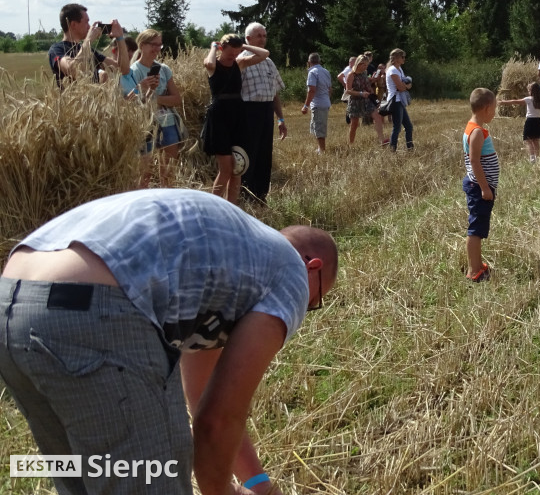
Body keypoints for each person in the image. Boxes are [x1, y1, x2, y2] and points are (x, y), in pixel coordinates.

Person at [0, 188, 338, 495]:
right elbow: (217, 420)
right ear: (314, 266)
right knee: (151, 477)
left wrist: (256, 485)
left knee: (86, 477)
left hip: (12, 300)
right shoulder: (291, 271)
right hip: (91, 308)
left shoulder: (235, 256)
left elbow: (203, 395)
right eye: (314, 302)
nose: (302, 312)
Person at [203, 34, 270, 203]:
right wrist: (213, 46)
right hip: (219, 116)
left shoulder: (239, 64)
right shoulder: (214, 66)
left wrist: (245, 47)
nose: (233, 55)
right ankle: (215, 206)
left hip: (238, 114)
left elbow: (264, 54)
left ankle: (232, 207)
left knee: (237, 168)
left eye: (236, 52)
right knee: (225, 168)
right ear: (222, 48)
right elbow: (209, 63)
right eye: (230, 52)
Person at [239, 23, 288, 203]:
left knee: (264, 154)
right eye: (258, 35)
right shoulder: (240, 61)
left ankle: (260, 196)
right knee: (248, 154)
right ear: (248, 39)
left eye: (264, 35)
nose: (262, 39)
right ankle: (245, 195)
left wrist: (280, 118)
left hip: (266, 111)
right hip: (248, 112)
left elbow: (274, 93)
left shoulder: (268, 62)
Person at [131, 29, 185, 188]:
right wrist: (156, 98)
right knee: (144, 173)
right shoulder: (133, 71)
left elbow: (176, 99)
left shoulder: (164, 69)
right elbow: (133, 103)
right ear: (142, 45)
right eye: (153, 45)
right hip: (145, 125)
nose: (157, 49)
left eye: (159, 45)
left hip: (167, 122)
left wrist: (154, 98)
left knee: (168, 172)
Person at [462, 88, 499, 282]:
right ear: (486, 109)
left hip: (479, 186)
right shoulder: (476, 132)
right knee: (476, 229)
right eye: (494, 109)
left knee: (478, 227)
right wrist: (485, 188)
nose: (494, 112)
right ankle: (473, 270)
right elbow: (475, 162)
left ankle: (477, 264)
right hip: (479, 188)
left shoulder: (473, 127)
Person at [48, 3, 129, 87]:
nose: (89, 27)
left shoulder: (88, 50)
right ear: (73, 25)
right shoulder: (57, 49)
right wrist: (88, 40)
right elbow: (72, 70)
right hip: (73, 99)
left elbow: (122, 70)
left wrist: (120, 38)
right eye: (86, 22)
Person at [498, 81, 540, 163]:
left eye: (529, 90)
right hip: (539, 121)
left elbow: (514, 102)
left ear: (531, 91)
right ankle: (537, 157)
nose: (528, 92)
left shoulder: (528, 99)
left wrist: (503, 102)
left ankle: (532, 158)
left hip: (530, 121)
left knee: (528, 140)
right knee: (536, 140)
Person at [345, 55, 387, 146]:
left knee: (377, 117)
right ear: (359, 64)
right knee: (354, 124)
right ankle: (350, 144)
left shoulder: (364, 73)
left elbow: (367, 83)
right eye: (364, 65)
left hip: (367, 100)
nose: (366, 67)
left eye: (367, 65)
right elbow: (348, 91)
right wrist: (360, 93)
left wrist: (373, 80)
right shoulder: (351, 75)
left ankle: (382, 140)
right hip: (355, 102)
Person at [301, 53, 332, 155]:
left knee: (319, 128)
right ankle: (319, 148)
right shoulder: (326, 71)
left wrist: (306, 105)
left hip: (318, 103)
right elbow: (330, 89)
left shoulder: (312, 72)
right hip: (325, 102)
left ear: (309, 62)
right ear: (319, 61)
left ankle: (322, 151)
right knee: (315, 126)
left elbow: (311, 90)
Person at [385, 48, 414, 152]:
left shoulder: (399, 69)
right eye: (402, 57)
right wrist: (405, 85)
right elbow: (402, 87)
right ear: (397, 58)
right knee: (397, 127)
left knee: (408, 127)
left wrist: (404, 85)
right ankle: (393, 149)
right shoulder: (392, 70)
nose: (404, 59)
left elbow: (407, 85)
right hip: (395, 101)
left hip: (400, 101)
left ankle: (410, 148)